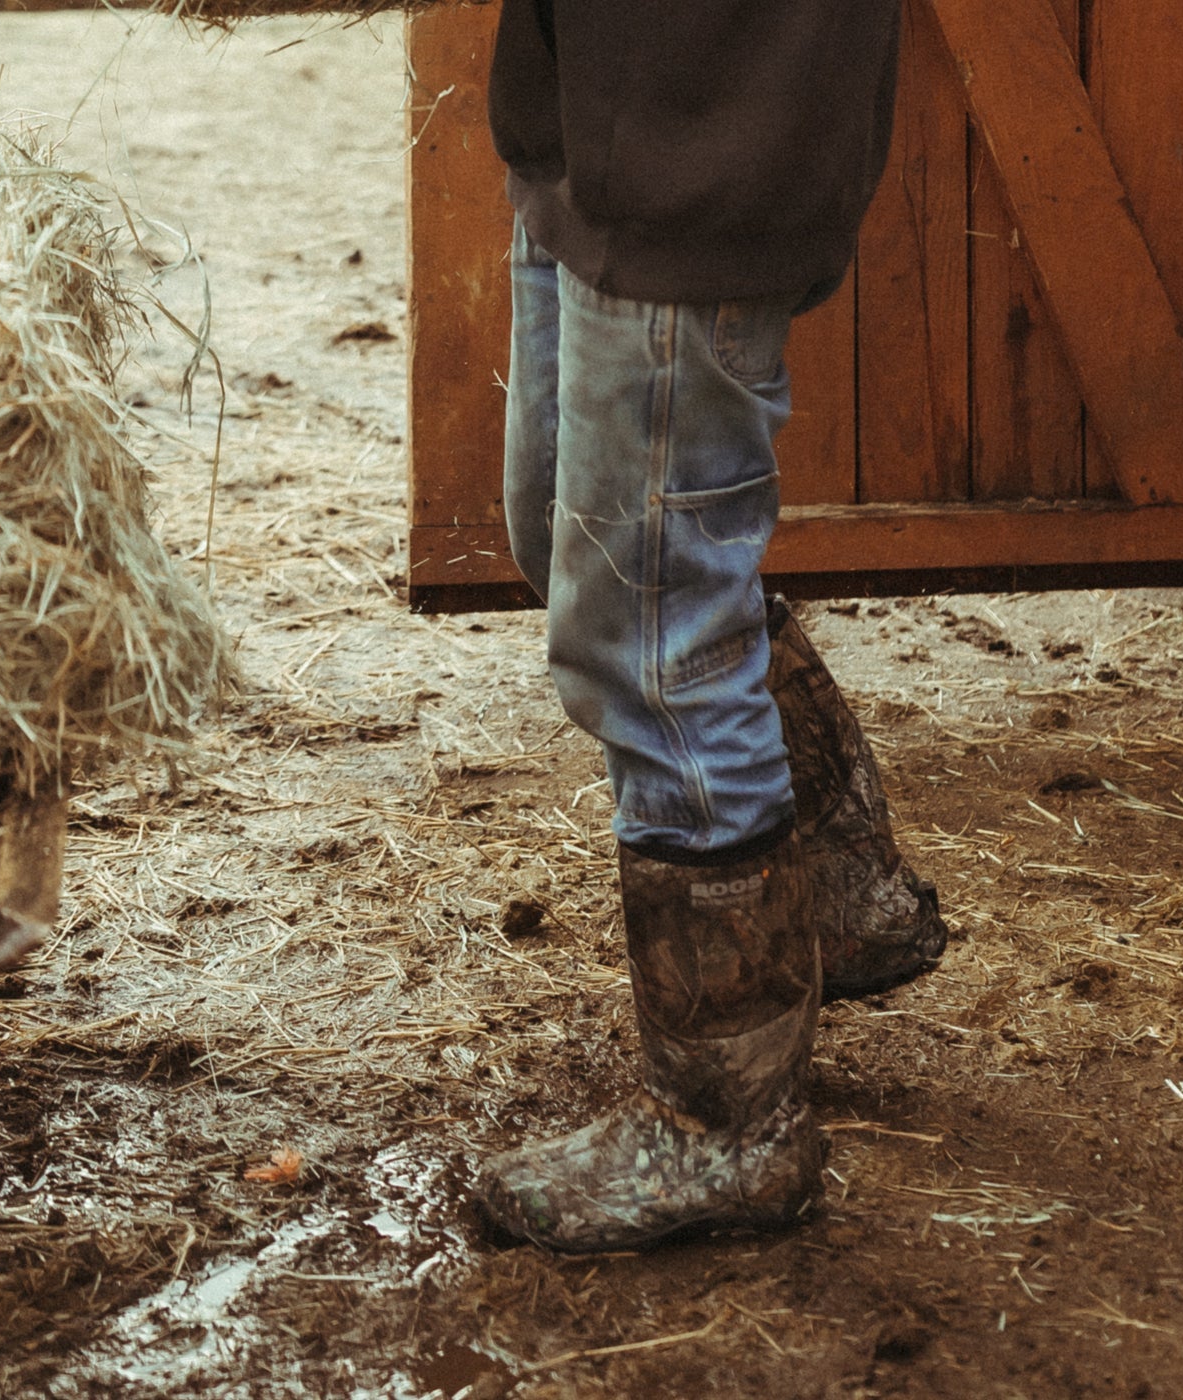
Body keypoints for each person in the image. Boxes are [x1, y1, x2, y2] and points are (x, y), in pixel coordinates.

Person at [474, 1, 949, 1253]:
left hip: (703, 146)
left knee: (650, 622)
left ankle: (724, 1121)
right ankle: (836, 889)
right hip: (594, 129)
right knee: (559, 535)